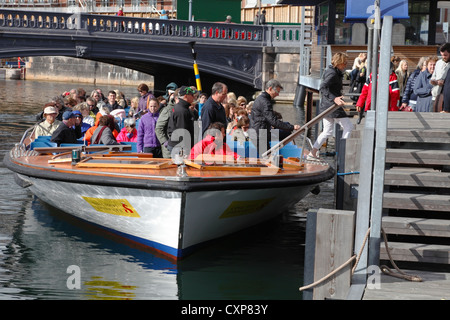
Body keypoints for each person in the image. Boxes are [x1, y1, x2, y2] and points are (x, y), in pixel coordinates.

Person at [308, 52, 353, 160]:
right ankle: (343, 151)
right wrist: (335, 98)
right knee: (348, 127)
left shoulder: (333, 72)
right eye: (344, 63)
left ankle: (312, 153)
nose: (345, 65)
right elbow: (323, 87)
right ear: (339, 63)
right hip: (331, 106)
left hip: (327, 105)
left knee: (327, 131)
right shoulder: (332, 73)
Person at [249, 79, 300, 154]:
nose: (278, 94)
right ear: (270, 89)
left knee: (266, 156)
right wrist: (292, 127)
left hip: (258, 131)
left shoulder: (261, 99)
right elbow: (273, 121)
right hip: (260, 134)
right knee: (265, 157)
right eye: (277, 92)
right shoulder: (265, 102)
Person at [167, 86, 197, 155]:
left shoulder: (182, 107)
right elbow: (182, 132)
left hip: (177, 145)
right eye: (192, 95)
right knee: (181, 165)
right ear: (186, 96)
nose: (194, 97)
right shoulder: (182, 111)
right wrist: (184, 149)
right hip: (179, 147)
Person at [156, 88, 179, 158]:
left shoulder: (184, 109)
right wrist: (165, 142)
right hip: (169, 148)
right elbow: (159, 128)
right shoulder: (168, 110)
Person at [430, 43, 450, 112]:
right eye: (442, 55)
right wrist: (436, 82)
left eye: (445, 55)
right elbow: (432, 78)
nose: (443, 57)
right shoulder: (439, 63)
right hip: (436, 97)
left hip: (446, 99)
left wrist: (445, 83)